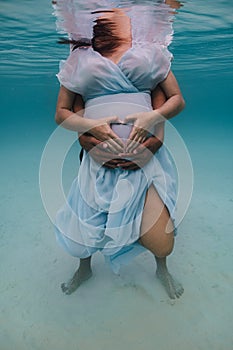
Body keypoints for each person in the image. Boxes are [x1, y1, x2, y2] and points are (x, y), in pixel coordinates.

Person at [54, 7, 185, 299]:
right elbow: (63, 111)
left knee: (162, 242)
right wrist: (88, 132)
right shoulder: (79, 58)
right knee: (84, 228)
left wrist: (153, 127)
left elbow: (170, 100)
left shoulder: (150, 49)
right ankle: (84, 267)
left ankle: (161, 267)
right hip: (96, 162)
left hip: (145, 162)